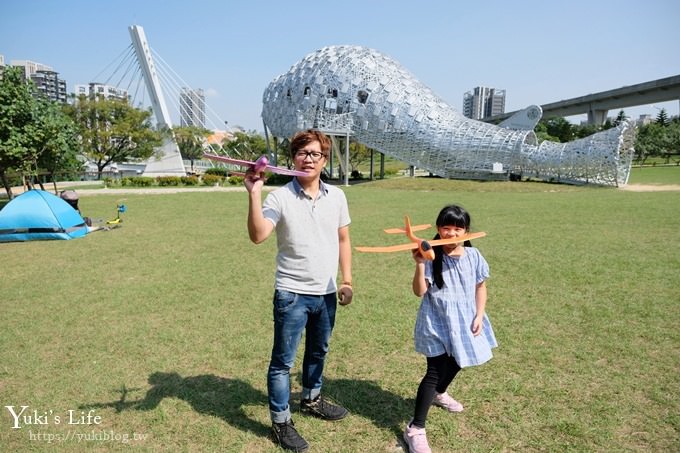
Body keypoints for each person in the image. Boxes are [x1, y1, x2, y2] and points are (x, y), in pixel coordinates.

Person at [244, 129, 353, 452]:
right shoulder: (280, 197)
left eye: (315, 154)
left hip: (327, 292)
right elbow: (258, 235)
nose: (308, 159)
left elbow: (344, 239)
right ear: (293, 158)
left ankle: (311, 399)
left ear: (324, 160)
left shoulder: (337, 197)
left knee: (318, 352)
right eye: (302, 153)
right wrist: (253, 192)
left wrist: (347, 281)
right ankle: (280, 422)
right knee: (283, 362)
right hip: (291, 293)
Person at [403, 204, 497, 453]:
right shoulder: (433, 257)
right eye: (446, 228)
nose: (451, 234)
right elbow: (419, 291)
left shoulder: (474, 256)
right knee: (434, 371)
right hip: (436, 321)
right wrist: (420, 264)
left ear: (466, 231)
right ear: (438, 229)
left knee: (458, 361)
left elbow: (480, 286)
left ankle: (439, 393)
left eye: (458, 228)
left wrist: (479, 314)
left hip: (465, 320)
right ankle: (416, 428)